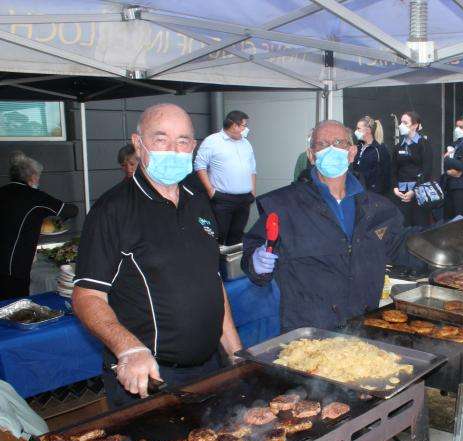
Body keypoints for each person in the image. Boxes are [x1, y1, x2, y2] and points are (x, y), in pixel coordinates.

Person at [72, 104, 242, 408]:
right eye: (161, 139)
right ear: (139, 143)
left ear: (193, 146)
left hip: (211, 368)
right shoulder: (113, 210)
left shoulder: (198, 201)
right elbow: (87, 296)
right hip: (151, 377)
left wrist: (236, 353)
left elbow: (213, 283)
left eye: (183, 141)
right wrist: (127, 349)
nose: (173, 149)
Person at [241, 120, 424, 332]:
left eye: (338, 142)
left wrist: (452, 238)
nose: (331, 149)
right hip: (307, 336)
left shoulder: (377, 208)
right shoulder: (283, 206)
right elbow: (255, 256)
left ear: (352, 152)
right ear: (311, 155)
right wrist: (255, 261)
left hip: (363, 328)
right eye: (322, 144)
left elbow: (403, 245)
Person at [0, 152, 78, 300]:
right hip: (14, 266)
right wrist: (61, 220)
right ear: (33, 177)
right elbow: (70, 210)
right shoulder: (35, 197)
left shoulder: (2, 192)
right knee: (14, 306)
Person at [194, 110, 257, 245]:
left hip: (244, 199)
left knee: (237, 235)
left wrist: (252, 191)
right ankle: (218, 265)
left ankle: (232, 265)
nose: (246, 129)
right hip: (222, 199)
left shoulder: (246, 143)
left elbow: (252, 169)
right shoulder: (212, 141)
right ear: (234, 125)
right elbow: (199, 166)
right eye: (244, 125)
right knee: (219, 235)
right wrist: (211, 190)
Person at [391, 111, 434, 226]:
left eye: (405, 123)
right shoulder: (399, 145)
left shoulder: (424, 144)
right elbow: (394, 168)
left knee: (419, 225)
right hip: (401, 192)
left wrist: (414, 191)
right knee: (403, 225)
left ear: (415, 125)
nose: (401, 126)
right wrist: (395, 187)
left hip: (418, 193)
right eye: (401, 122)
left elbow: (426, 170)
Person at [354, 115, 390, 195]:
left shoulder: (379, 149)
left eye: (358, 129)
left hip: (373, 193)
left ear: (368, 130)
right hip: (358, 191)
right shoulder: (358, 147)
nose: (356, 131)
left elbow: (386, 174)